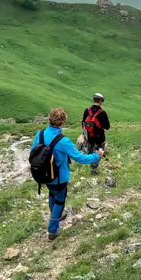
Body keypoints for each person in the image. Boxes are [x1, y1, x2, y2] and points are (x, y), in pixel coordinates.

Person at [32, 108, 103, 240]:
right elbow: (80, 158)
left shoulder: (39, 134)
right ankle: (53, 230)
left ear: (49, 119)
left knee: (52, 195)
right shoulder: (63, 141)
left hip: (43, 175)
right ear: (62, 122)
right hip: (59, 177)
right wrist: (96, 156)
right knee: (59, 201)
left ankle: (55, 221)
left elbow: (33, 151)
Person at [81, 93, 111, 175]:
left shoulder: (86, 110)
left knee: (91, 152)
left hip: (89, 137)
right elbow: (107, 126)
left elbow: (83, 124)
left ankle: (92, 167)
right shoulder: (102, 113)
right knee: (100, 152)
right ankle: (95, 169)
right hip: (100, 138)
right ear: (101, 101)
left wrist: (84, 135)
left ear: (94, 100)